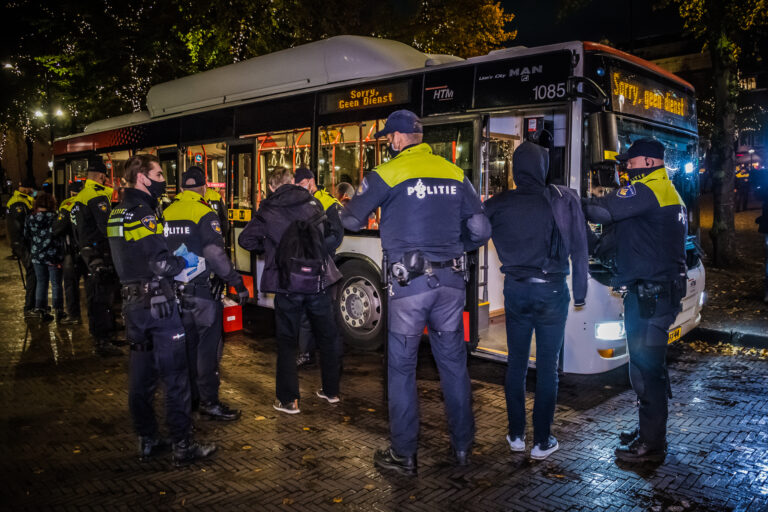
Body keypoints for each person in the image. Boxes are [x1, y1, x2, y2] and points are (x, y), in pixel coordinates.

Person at [340, 109, 491, 475]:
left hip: (409, 287)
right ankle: (462, 448)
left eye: (389, 138)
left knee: (402, 368)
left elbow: (349, 219)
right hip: (452, 285)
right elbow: (481, 229)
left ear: (396, 138)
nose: (389, 143)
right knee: (454, 367)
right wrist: (458, 246)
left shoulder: (388, 173)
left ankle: (404, 454)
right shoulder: (455, 173)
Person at [582, 138, 687, 463]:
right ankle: (648, 432)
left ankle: (651, 447)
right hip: (658, 294)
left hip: (650, 297)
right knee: (648, 369)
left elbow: (600, 211)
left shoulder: (648, 190)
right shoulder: (669, 191)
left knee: (647, 371)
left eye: (629, 161)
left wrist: (573, 199)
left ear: (646, 162)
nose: (625, 166)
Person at [107, 154, 216, 467]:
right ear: (142, 177)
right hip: (158, 304)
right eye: (157, 173)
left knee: (141, 377)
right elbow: (161, 263)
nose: (162, 179)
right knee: (175, 375)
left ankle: (147, 439)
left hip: (132, 305)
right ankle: (183, 444)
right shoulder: (143, 213)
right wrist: (184, 261)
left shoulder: (117, 212)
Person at [484, 141, 588, 460]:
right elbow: (580, 247)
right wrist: (581, 292)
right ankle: (542, 441)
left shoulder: (497, 204)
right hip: (552, 292)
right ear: (543, 168)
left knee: (515, 363)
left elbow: (470, 233)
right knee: (547, 368)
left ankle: (516, 435)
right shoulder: (561, 198)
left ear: (516, 170)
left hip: (516, 290)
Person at [238, 166, 342, 415]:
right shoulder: (314, 204)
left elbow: (245, 240)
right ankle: (331, 391)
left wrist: (272, 249)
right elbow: (329, 237)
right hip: (317, 282)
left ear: (273, 186)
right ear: (292, 182)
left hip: (287, 284)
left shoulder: (268, 209)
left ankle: (289, 400)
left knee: (286, 341)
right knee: (327, 336)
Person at [163, 166, 248, 421]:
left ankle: (191, 398)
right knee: (207, 350)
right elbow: (215, 254)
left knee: (187, 347)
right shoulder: (204, 212)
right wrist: (236, 283)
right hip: (203, 293)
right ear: (202, 187)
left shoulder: (165, 212)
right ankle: (210, 401)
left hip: (177, 293)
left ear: (181, 188)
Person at [293, 167, 344, 368]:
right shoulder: (302, 201)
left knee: (326, 312)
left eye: (300, 184)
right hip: (307, 263)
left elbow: (337, 235)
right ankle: (306, 353)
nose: (299, 189)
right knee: (305, 310)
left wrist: (317, 249)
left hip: (322, 263)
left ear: (310, 181)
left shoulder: (328, 202)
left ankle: (333, 356)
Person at [70, 160, 120, 356]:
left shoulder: (79, 197)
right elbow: (107, 227)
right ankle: (103, 340)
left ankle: (100, 336)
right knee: (102, 298)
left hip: (86, 254)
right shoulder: (97, 196)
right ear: (101, 176)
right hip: (100, 254)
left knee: (93, 297)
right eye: (106, 177)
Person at [24, 192, 66, 322]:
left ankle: (41, 310)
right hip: (53, 255)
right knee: (56, 283)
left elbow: (26, 235)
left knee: (41, 282)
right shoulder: (55, 217)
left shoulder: (30, 218)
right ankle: (59, 311)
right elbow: (61, 234)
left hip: (37, 255)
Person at [53, 181, 86, 324]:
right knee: (92, 286)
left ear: (71, 192)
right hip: (90, 250)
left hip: (72, 252)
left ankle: (74, 316)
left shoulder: (67, 205)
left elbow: (57, 228)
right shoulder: (89, 201)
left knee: (70, 285)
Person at [6, 177, 37, 317]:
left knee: (33, 271)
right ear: (24, 187)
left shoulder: (22, 200)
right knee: (32, 271)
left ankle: (33, 304)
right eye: (30, 188)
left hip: (21, 243)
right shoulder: (18, 203)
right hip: (22, 243)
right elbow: (20, 225)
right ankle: (29, 307)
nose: (32, 191)